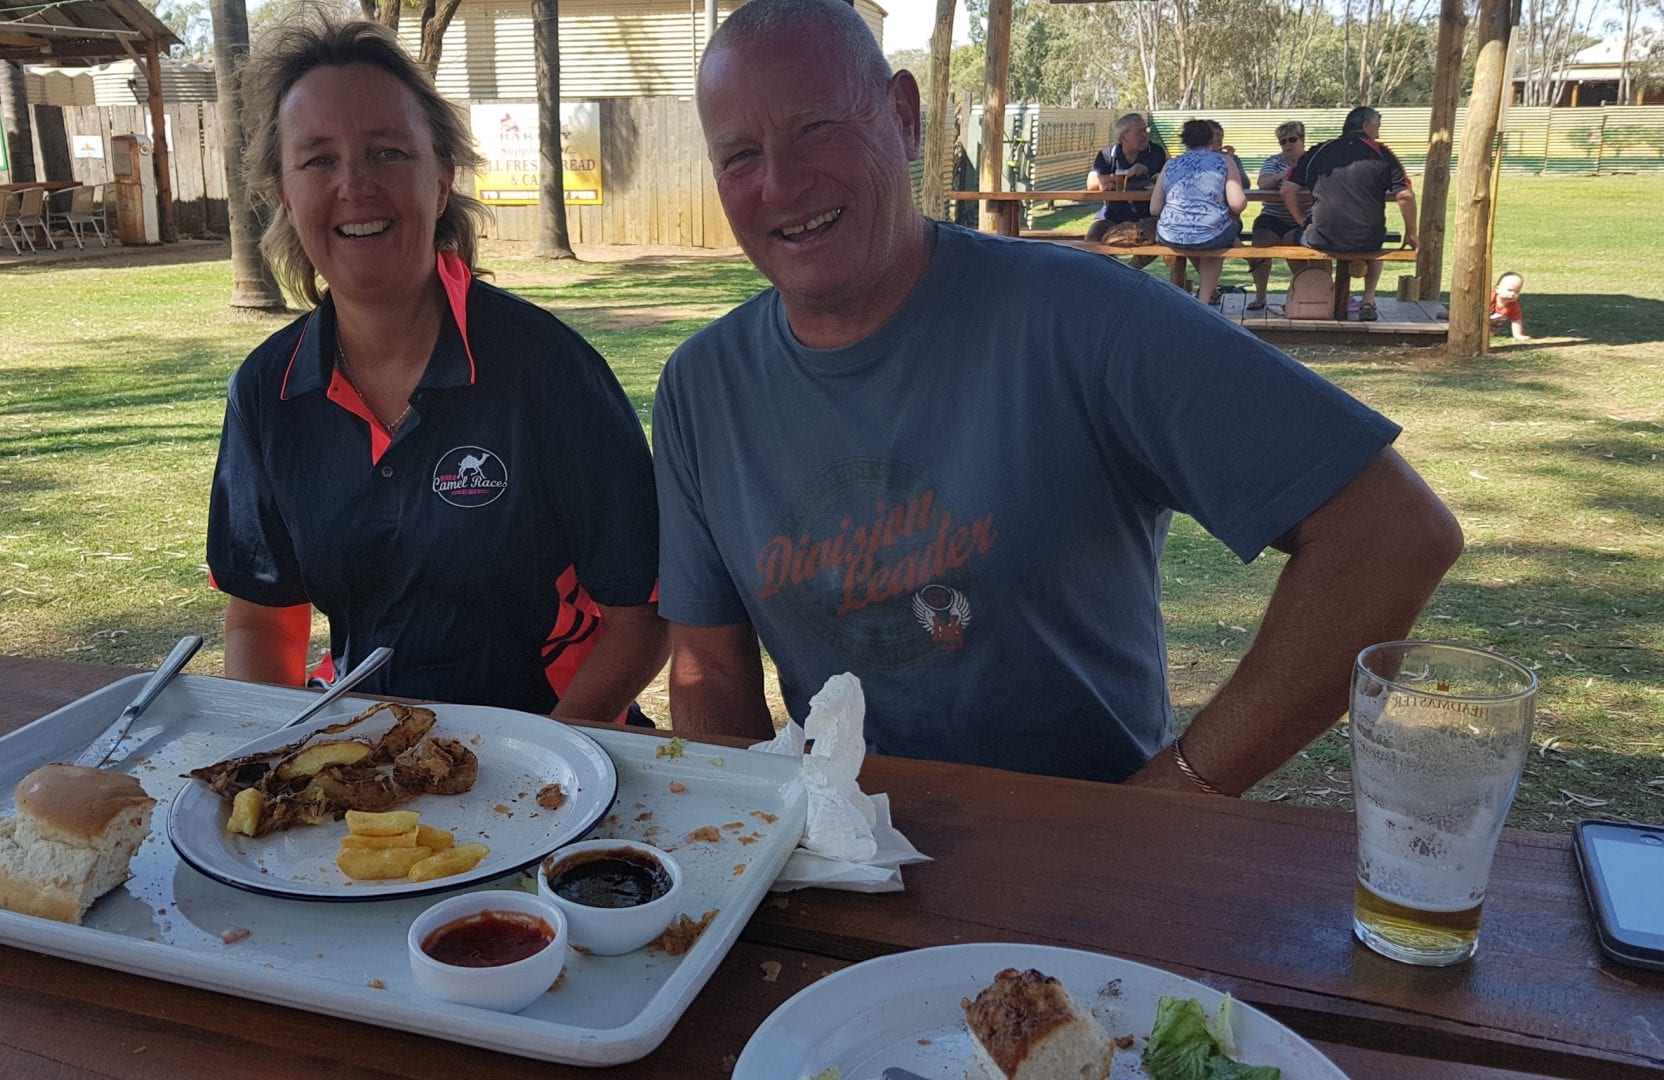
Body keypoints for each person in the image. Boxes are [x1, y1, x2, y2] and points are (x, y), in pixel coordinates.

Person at [656, 0, 1463, 793]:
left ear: (903, 117)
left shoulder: (1084, 316)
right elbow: (708, 672)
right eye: (740, 156)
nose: (781, 184)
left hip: (1087, 843)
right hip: (841, 848)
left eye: (815, 128)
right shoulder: (702, 388)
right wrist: (751, 836)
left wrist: (1178, 797)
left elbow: (1391, 534)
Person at [206, 11, 667, 723]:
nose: (354, 184)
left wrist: (545, 762)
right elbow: (263, 619)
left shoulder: (548, 369)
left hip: (561, 744)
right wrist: (278, 753)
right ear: (285, 195)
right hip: (368, 749)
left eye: (387, 152)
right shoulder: (267, 391)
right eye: (318, 160)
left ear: (443, 177)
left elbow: (643, 618)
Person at [1279, 106, 1417, 323]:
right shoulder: (1382, 153)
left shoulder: (1318, 151)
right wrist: (1412, 232)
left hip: (1321, 236)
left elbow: (1287, 190)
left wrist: (1301, 221)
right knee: (1377, 246)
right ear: (1366, 125)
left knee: (1289, 239)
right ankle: (1368, 300)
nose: (1378, 133)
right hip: (1368, 238)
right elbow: (1405, 196)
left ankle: (1324, 290)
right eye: (1377, 127)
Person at [1151, 119, 1247, 305]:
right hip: (1208, 234)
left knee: (1206, 236)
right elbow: (1237, 204)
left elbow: (1154, 208)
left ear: (1184, 140)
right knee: (1215, 240)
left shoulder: (1170, 164)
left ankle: (1202, 297)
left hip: (1169, 234)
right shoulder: (1224, 161)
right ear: (1211, 138)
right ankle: (1204, 299)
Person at [1084, 112, 1168, 268]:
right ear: (1124, 137)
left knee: (1156, 235)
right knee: (1092, 240)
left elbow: (1162, 182)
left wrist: (1145, 176)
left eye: (1145, 130)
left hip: (1147, 214)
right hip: (1111, 214)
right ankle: (1116, 272)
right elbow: (1091, 183)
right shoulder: (1107, 154)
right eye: (1139, 132)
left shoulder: (1156, 152)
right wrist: (1120, 176)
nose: (1145, 135)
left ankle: (1130, 272)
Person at [1247, 121, 1313, 312]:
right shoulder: (1273, 161)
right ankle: (1260, 295)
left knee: (1293, 245)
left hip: (1304, 218)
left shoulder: (1312, 161)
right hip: (1274, 215)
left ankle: (1305, 293)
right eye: (1283, 141)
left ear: (1302, 140)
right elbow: (1263, 183)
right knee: (1260, 243)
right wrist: (1288, 174)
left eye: (1292, 139)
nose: (1287, 145)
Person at [1490, 271, 1529, 339]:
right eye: (1510, 290)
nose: (1513, 294)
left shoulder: (1514, 306)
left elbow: (1516, 320)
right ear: (1497, 289)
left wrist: (1517, 335)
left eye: (1517, 291)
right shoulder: (1489, 298)